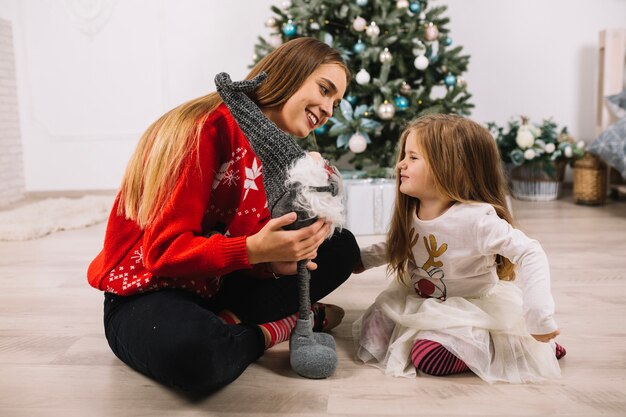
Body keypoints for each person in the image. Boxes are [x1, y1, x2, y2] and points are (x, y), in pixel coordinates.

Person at [87, 37, 360, 393]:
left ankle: (235, 322)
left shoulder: (278, 152)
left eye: (335, 103)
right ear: (289, 73)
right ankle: (275, 327)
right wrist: (256, 251)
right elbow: (162, 254)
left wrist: (274, 261)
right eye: (324, 90)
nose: (328, 109)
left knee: (340, 247)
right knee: (201, 355)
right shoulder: (203, 128)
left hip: (215, 282)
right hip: (148, 289)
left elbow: (236, 236)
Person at [352, 114, 566, 384]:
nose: (400, 165)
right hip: (422, 300)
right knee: (372, 331)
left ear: (454, 169)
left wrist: (538, 311)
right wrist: (359, 259)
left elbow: (530, 252)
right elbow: (398, 245)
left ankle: (521, 343)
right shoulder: (413, 210)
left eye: (413, 157)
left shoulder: (477, 219)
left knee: (427, 356)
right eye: (404, 156)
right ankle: (511, 344)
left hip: (470, 307)